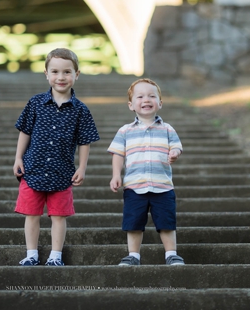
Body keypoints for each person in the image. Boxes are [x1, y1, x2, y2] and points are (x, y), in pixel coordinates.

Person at [12, 48, 100, 266]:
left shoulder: (80, 110)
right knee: (31, 214)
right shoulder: (35, 103)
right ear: (46, 74)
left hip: (62, 173)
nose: (61, 77)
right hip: (33, 170)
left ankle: (55, 256)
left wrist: (82, 167)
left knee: (59, 216)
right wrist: (18, 158)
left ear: (76, 74)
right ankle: (31, 254)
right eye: (55, 72)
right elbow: (25, 131)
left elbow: (84, 141)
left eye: (67, 72)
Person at [108, 78, 185, 266]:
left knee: (166, 222)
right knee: (134, 222)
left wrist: (174, 153)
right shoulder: (125, 131)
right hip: (134, 187)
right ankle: (133, 255)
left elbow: (176, 146)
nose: (146, 100)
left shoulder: (167, 129)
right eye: (140, 96)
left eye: (152, 96)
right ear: (131, 105)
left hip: (163, 186)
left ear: (160, 102)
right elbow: (118, 154)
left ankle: (171, 254)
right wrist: (116, 175)